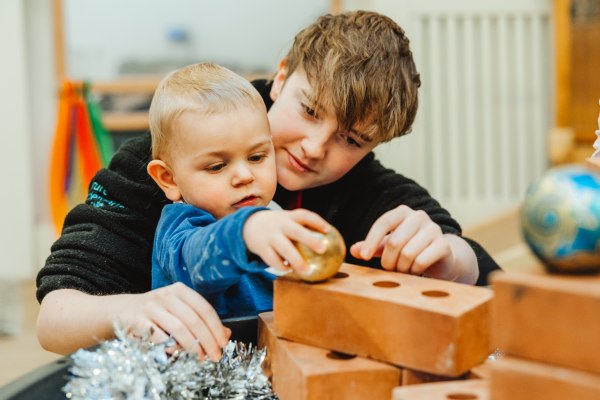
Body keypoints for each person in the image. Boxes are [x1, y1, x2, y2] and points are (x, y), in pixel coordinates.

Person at [36, 10, 500, 361]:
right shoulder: (169, 156)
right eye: (310, 110)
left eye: (351, 139)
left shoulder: (366, 186)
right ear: (282, 76)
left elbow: (483, 272)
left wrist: (447, 258)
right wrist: (129, 311)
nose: (316, 147)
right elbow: (54, 318)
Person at [146, 62, 330, 320]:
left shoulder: (271, 215)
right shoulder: (179, 228)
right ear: (169, 179)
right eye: (217, 166)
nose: (245, 176)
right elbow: (195, 262)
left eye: (256, 157)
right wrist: (245, 232)